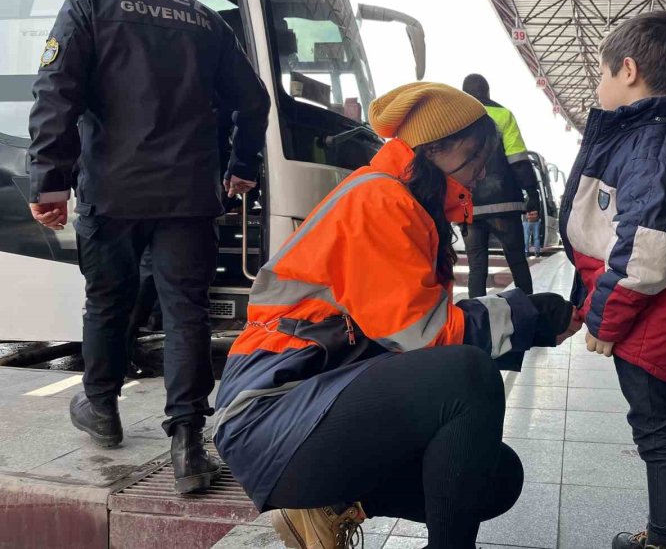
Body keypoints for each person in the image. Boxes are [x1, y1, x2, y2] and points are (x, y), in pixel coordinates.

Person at [212, 83, 579, 549]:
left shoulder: (415, 208)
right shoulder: (380, 201)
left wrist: (525, 318)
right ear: (435, 150)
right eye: (476, 157)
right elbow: (425, 338)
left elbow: (414, 327)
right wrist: (526, 317)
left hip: (317, 397)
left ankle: (331, 506)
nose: (483, 170)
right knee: (467, 374)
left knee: (496, 475)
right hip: (272, 409)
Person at [27, 0, 270, 492]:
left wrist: (50, 181)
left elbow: (55, 92)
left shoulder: (90, 6)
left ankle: (101, 410)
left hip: (113, 190)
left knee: (106, 301)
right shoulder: (207, 21)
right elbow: (253, 100)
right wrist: (240, 169)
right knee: (184, 308)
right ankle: (188, 442)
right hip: (189, 194)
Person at [560, 12, 666, 549]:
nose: (599, 88)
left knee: (655, 430)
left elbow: (646, 254)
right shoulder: (654, 138)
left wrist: (605, 320)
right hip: (656, 314)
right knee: (656, 426)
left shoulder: (654, 147)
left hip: (654, 315)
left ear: (627, 70)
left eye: (602, 75)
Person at [460, 74, 540, 297]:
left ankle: (478, 318)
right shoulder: (503, 115)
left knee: (476, 269)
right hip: (504, 204)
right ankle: (529, 309)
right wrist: (532, 193)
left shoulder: (455, 119)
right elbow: (517, 159)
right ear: (487, 91)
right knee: (516, 260)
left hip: (468, 208)